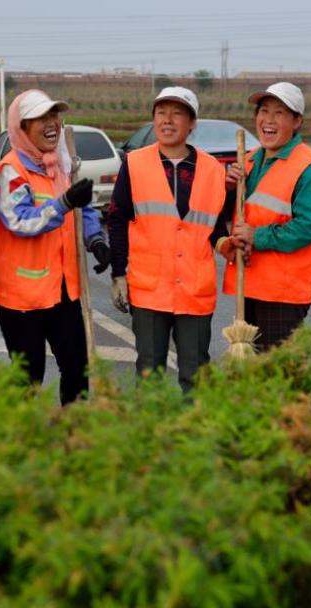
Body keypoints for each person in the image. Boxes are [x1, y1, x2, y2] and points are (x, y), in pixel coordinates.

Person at [0, 89, 110, 405]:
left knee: (77, 370)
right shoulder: (11, 170)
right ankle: (23, 443)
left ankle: (72, 438)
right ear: (22, 127)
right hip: (22, 299)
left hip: (63, 291)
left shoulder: (59, 166)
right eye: (40, 118)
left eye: (54, 116)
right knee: (28, 380)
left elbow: (81, 209)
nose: (51, 124)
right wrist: (63, 204)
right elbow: (20, 221)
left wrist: (95, 238)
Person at [107, 86, 228, 393]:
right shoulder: (134, 165)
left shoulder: (213, 170)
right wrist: (118, 274)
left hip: (194, 291)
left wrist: (227, 245)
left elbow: (215, 229)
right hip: (150, 290)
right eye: (161, 113)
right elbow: (118, 219)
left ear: (192, 123)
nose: (168, 120)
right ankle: (152, 437)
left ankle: (192, 434)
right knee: (149, 372)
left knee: (195, 372)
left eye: (177, 113)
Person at [221, 82, 311, 352]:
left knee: (276, 373)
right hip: (248, 285)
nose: (268, 120)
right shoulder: (247, 161)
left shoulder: (309, 168)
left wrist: (257, 236)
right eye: (264, 111)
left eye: (279, 113)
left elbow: (310, 227)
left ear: (297, 121)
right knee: (249, 372)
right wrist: (228, 189)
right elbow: (229, 215)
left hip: (283, 293)